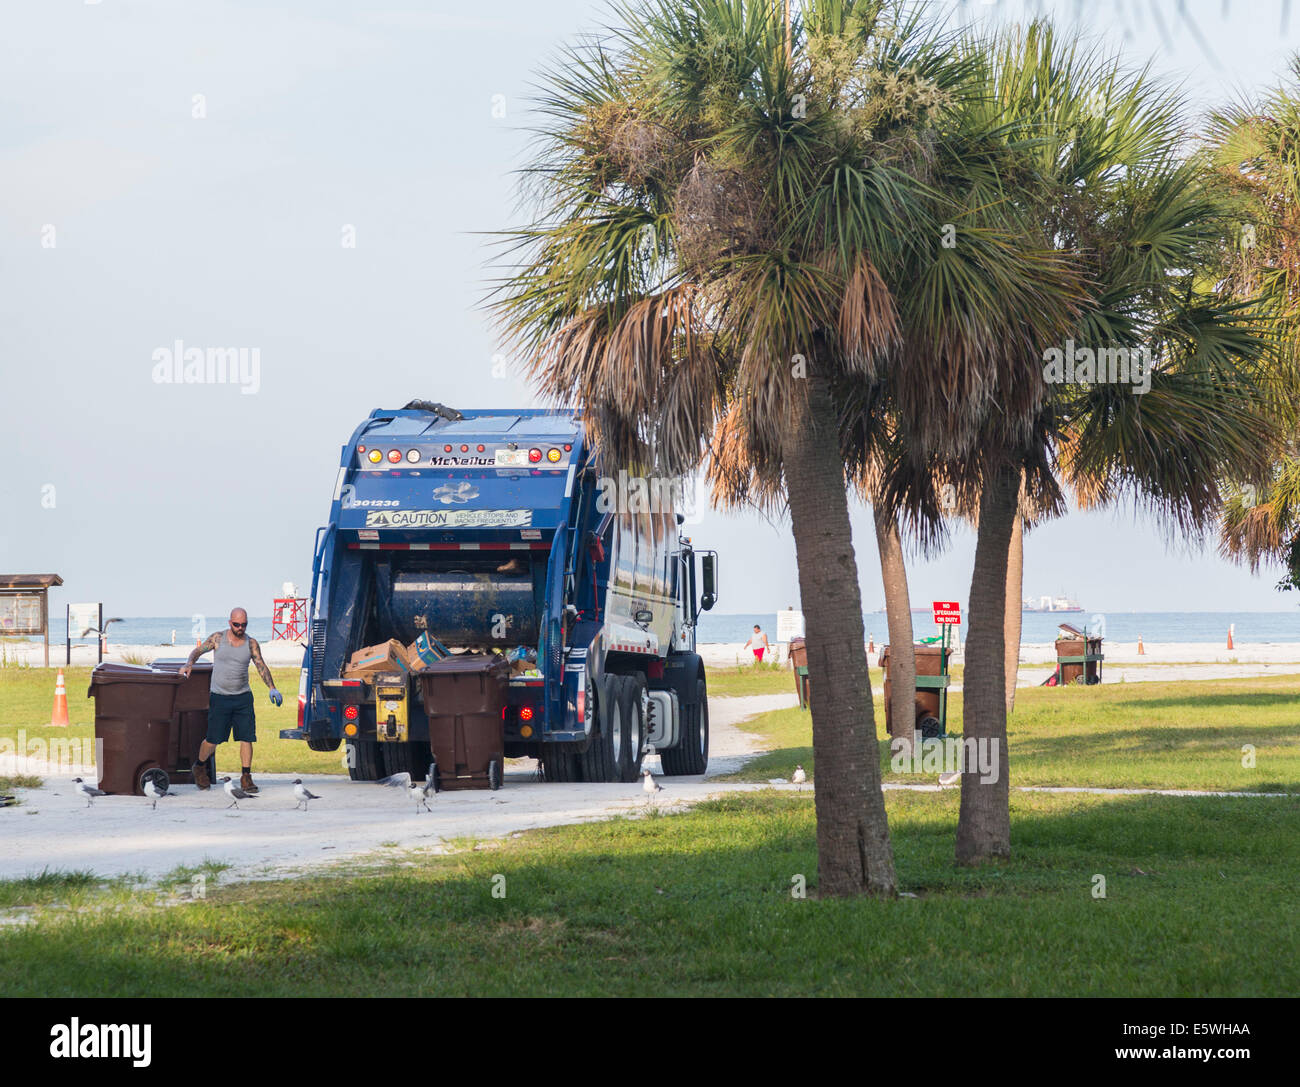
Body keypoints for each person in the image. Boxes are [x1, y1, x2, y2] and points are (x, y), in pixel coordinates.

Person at [180, 608, 281, 792]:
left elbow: (261, 666)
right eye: (237, 624)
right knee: (213, 739)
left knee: (246, 737)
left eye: (244, 625)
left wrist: (272, 688)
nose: (240, 628)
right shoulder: (218, 638)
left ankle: (246, 777)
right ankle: (199, 767)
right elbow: (198, 651)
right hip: (220, 697)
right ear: (230, 623)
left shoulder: (251, 644)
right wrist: (189, 664)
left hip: (243, 697)